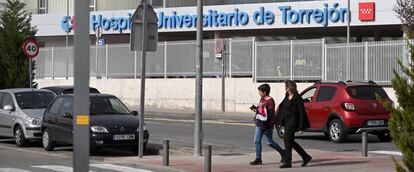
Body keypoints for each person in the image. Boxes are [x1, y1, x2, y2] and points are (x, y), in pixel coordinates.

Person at [277, 80, 312, 168]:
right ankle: (305, 156)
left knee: (287, 139)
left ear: (289, 87)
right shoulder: (287, 96)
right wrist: (280, 122)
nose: (285, 88)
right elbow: (283, 109)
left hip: (293, 122)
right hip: (287, 122)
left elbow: (301, 112)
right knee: (290, 141)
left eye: (286, 86)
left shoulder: (297, 97)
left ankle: (288, 162)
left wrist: (300, 127)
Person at [249, 84, 285, 165]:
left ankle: (283, 152)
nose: (259, 93)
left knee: (269, 142)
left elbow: (270, 114)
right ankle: (258, 158)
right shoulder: (262, 99)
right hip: (259, 124)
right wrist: (256, 112)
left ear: (264, 92)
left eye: (260, 92)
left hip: (267, 125)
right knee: (256, 140)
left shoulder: (270, 101)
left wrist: (259, 112)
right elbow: (260, 108)